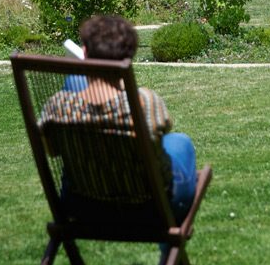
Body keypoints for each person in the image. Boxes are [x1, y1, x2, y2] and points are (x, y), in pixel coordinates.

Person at [39, 14, 197, 225]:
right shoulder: (144, 102)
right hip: (149, 209)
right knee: (180, 142)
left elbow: (51, 150)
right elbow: (162, 133)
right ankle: (171, 254)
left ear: (84, 53)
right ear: (129, 58)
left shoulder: (58, 106)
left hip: (83, 207)